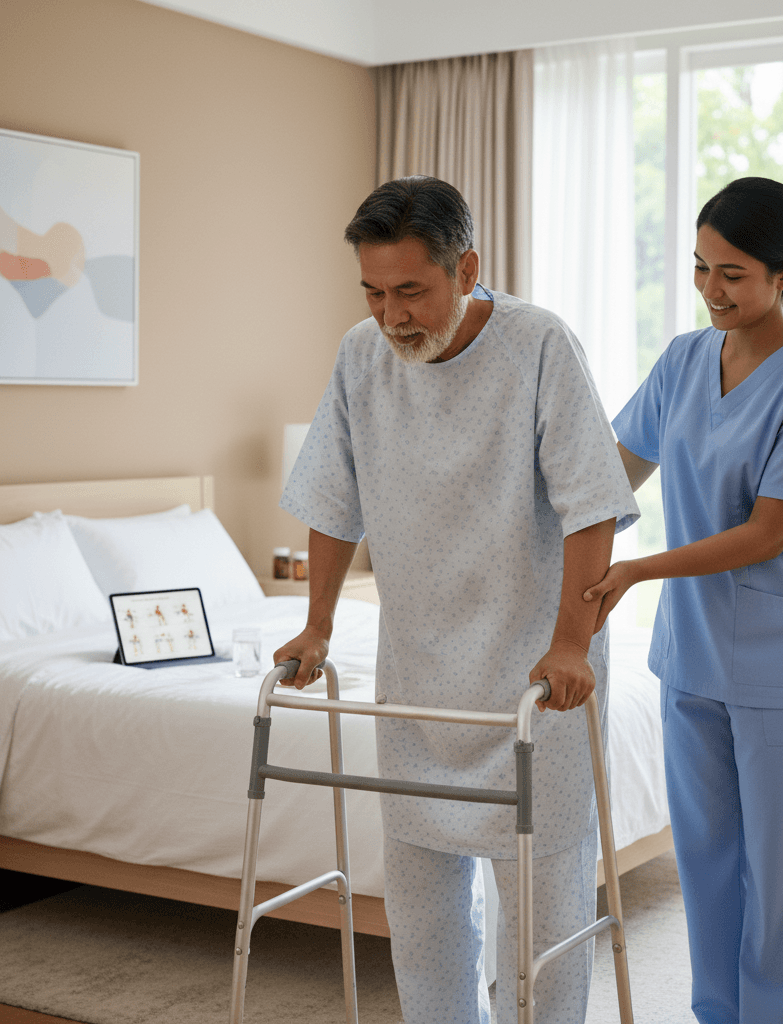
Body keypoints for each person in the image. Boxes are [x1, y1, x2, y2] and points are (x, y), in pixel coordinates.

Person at [274, 175, 639, 1024]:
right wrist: (318, 625)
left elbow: (593, 504)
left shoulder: (539, 344)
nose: (392, 315)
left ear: (466, 266)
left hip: (535, 683)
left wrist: (572, 644)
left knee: (542, 919)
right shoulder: (359, 357)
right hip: (418, 678)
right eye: (373, 292)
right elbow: (335, 497)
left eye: (411, 290)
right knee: (423, 914)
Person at [584, 176, 783, 1024]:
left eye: (731, 273)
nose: (711, 290)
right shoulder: (683, 360)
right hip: (692, 654)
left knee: (778, 873)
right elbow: (609, 472)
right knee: (704, 858)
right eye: (701, 268)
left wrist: (635, 571)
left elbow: (769, 531)